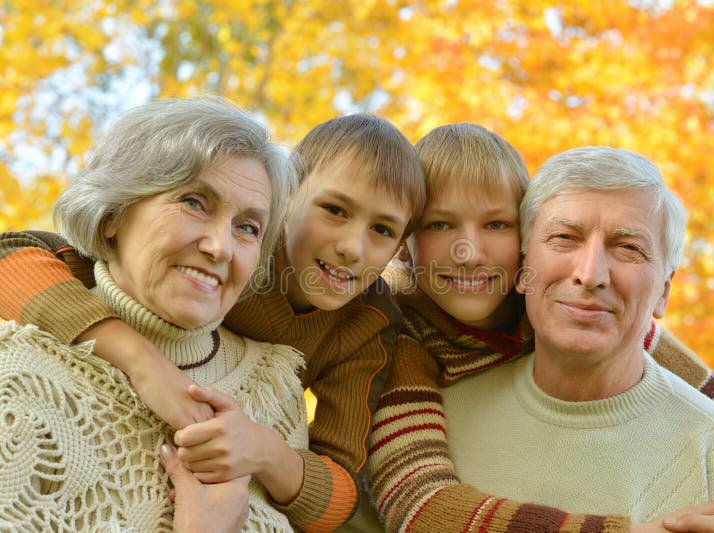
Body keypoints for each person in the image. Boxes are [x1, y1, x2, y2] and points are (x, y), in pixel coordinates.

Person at [0, 111, 426, 530]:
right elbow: (18, 257)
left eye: (384, 230)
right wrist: (142, 360)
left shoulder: (364, 324)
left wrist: (263, 451)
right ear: (289, 200)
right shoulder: (219, 249)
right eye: (334, 209)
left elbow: (339, 492)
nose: (352, 246)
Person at [368, 126, 714, 532]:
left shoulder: (582, 310)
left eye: (495, 224)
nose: (469, 253)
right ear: (405, 243)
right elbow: (419, 503)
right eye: (439, 224)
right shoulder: (396, 334)